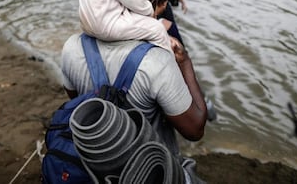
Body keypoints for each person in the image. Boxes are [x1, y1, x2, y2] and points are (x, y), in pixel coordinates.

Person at [61, 15, 209, 184]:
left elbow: (77, 102)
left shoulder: (72, 47)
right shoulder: (157, 61)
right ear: (152, 5)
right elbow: (195, 130)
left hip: (94, 164)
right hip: (151, 170)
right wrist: (185, 62)